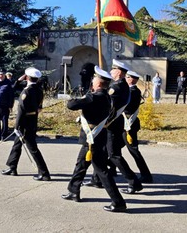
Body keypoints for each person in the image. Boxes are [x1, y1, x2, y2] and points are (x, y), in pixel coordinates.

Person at [61, 66, 127, 213]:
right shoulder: (106, 96)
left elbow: (71, 105)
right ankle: (73, 190)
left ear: (98, 83)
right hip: (98, 136)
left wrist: (78, 98)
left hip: (92, 138)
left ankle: (118, 201)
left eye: (94, 78)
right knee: (81, 164)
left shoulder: (93, 96)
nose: (93, 80)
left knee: (102, 171)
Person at [87, 59, 142, 195]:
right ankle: (96, 179)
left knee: (114, 155)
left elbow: (108, 105)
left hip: (111, 125)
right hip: (113, 124)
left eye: (113, 69)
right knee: (102, 152)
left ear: (118, 72)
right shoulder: (121, 85)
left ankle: (134, 182)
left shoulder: (116, 87)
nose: (110, 71)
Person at [2, 67, 51, 181]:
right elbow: (39, 107)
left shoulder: (26, 91)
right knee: (17, 144)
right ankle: (12, 167)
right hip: (32, 120)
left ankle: (44, 173)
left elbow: (21, 110)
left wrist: (17, 126)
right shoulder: (39, 90)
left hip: (24, 123)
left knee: (33, 148)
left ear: (27, 77)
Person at [122, 70, 153, 183]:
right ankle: (111, 170)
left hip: (128, 125)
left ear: (130, 79)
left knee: (133, 151)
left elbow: (125, 106)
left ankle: (146, 175)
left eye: (126, 77)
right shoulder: (132, 91)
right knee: (113, 151)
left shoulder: (132, 91)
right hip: (125, 125)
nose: (125, 79)